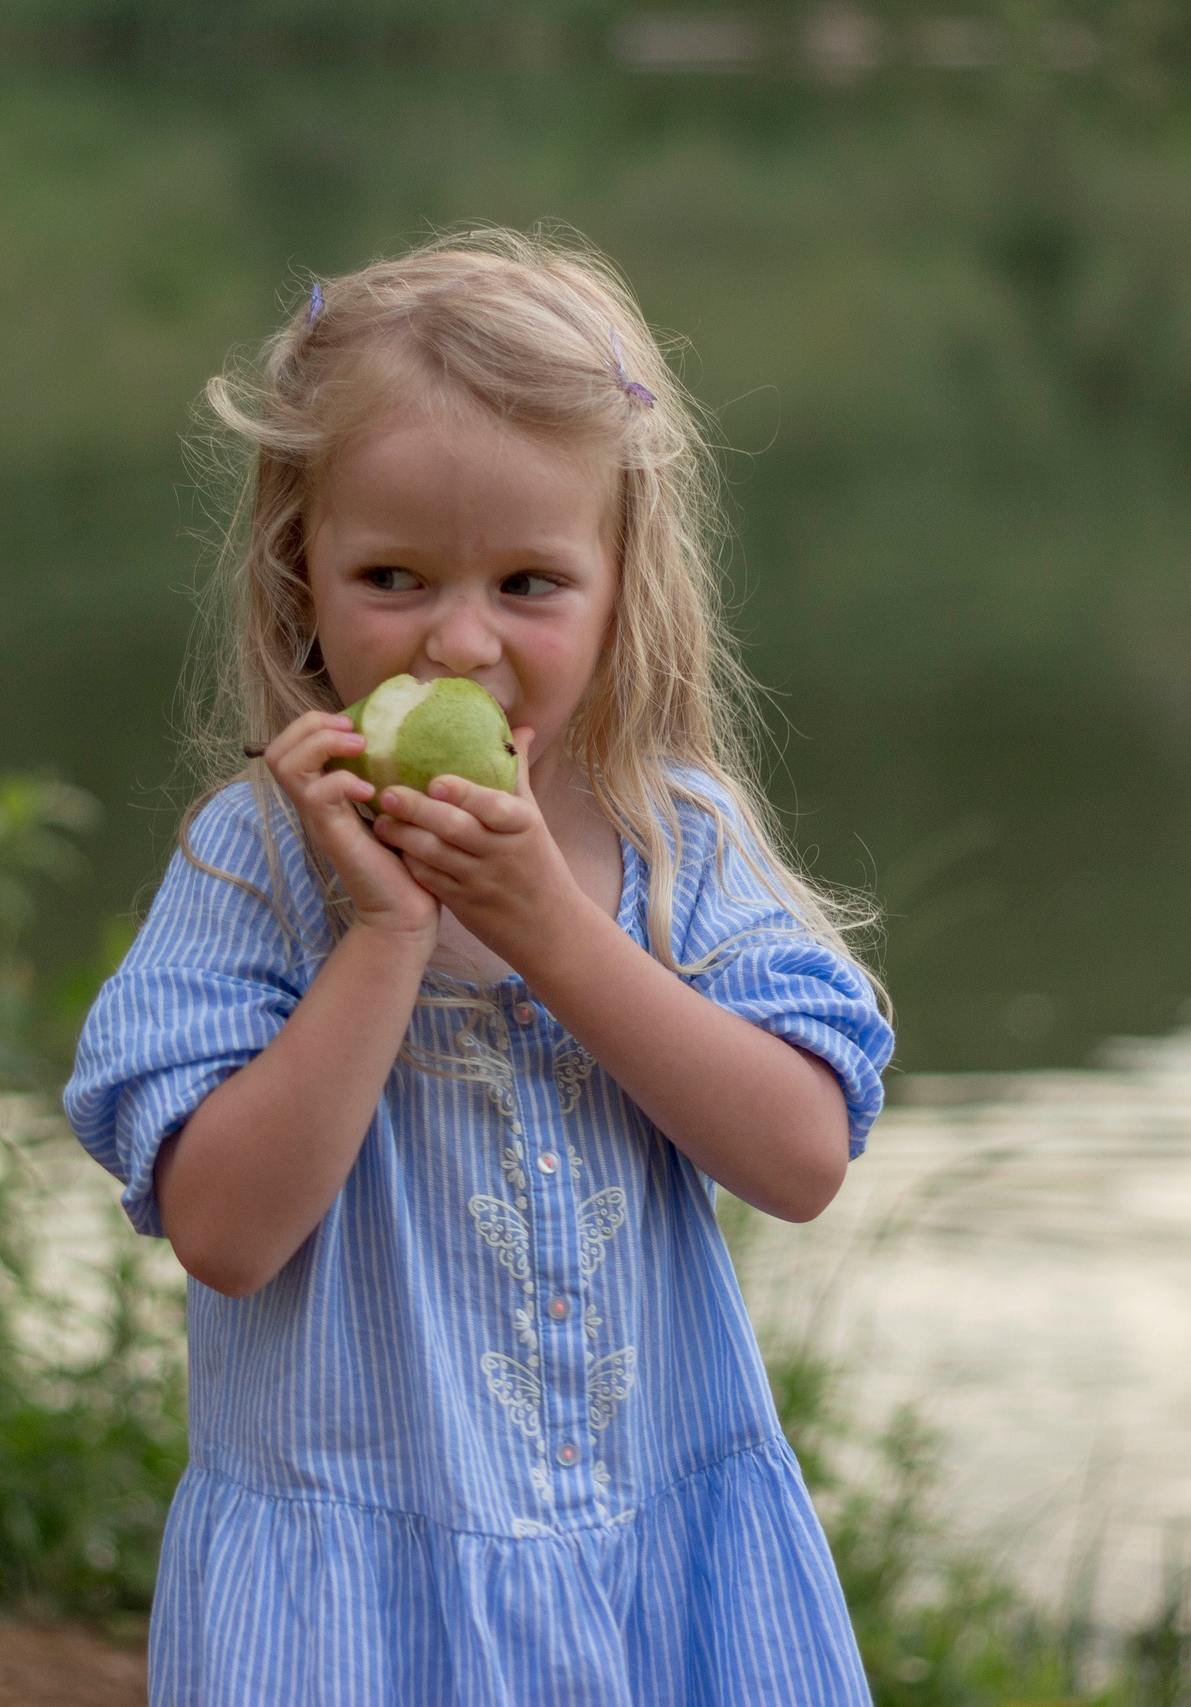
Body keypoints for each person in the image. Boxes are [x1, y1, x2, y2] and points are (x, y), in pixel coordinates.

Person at [64, 226, 895, 1706]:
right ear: (299, 574)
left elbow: (802, 1157)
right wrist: (387, 934)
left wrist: (549, 928)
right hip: (354, 1612)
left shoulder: (675, 841)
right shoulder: (257, 863)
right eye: (392, 575)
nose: (458, 644)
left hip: (651, 1574)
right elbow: (225, 1234)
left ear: (620, 586)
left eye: (528, 583)